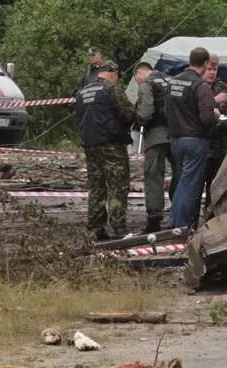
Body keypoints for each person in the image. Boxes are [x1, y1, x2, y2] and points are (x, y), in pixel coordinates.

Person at [75, 59, 133, 240]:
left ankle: (95, 227)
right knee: (118, 185)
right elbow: (127, 113)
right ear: (113, 73)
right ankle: (119, 227)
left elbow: (78, 117)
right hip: (111, 144)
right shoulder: (111, 89)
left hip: (90, 144)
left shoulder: (82, 92)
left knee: (97, 187)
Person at [166, 47, 219, 229]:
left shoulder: (173, 82)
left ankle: (174, 220)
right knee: (190, 185)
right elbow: (206, 117)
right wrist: (217, 115)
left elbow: (167, 110)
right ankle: (181, 225)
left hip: (175, 139)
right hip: (195, 140)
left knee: (181, 180)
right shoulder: (200, 86)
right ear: (205, 64)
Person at [133, 60, 177, 233]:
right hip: (177, 134)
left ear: (139, 73)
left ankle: (154, 217)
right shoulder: (173, 80)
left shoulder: (147, 84)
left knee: (153, 176)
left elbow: (145, 113)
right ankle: (179, 211)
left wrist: (137, 120)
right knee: (180, 174)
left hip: (156, 136)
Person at [203, 54, 227, 213]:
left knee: (216, 185)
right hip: (201, 144)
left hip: (220, 145)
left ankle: (212, 214)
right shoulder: (196, 86)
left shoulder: (223, 87)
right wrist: (215, 101)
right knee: (196, 185)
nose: (212, 72)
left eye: (215, 69)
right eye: (209, 69)